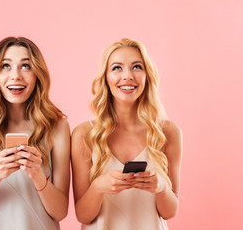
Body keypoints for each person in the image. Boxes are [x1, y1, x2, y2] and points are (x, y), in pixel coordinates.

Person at [71, 38, 182, 230]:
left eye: (137, 67)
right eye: (117, 68)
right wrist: (99, 187)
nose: (128, 76)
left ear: (147, 75)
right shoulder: (84, 134)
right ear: (105, 77)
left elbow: (170, 212)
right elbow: (83, 214)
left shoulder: (168, 132)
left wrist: (161, 187)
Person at [0, 37, 70, 230]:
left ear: (38, 74)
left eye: (26, 66)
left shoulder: (57, 128)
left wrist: (37, 175)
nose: (16, 76)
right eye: (6, 66)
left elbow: (60, 211)